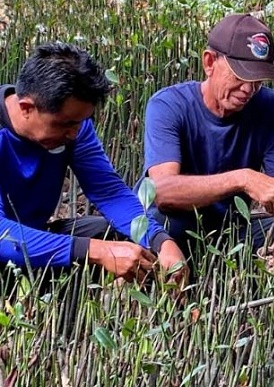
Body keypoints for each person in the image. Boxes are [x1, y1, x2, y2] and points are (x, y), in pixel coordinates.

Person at [0, 43, 186, 283]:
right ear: (26, 108)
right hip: (8, 242)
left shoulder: (75, 126)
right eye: (66, 124)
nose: (75, 134)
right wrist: (95, 251)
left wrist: (161, 240)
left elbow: (109, 192)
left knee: (124, 239)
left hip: (33, 237)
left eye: (82, 121)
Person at [140, 13, 274, 264]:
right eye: (240, 76)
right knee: (166, 229)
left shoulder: (269, 107)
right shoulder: (168, 106)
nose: (248, 90)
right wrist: (243, 178)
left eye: (257, 81)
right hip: (169, 224)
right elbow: (163, 193)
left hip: (230, 230)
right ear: (209, 63)